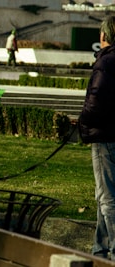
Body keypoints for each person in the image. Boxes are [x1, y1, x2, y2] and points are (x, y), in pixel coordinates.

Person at [79, 16, 115, 261]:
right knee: (105, 194)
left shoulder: (106, 62)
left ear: (104, 36)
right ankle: (100, 250)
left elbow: (95, 102)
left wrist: (82, 121)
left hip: (106, 136)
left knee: (107, 198)